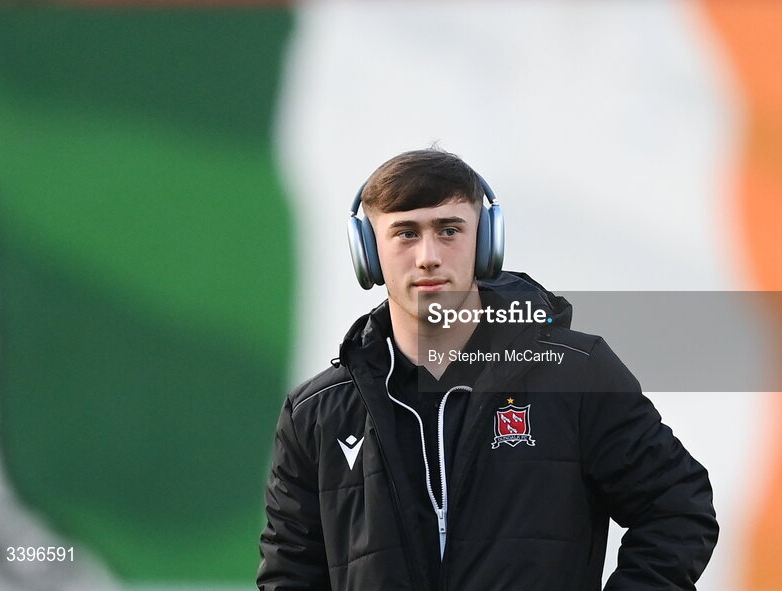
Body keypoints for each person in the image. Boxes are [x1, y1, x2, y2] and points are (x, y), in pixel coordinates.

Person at [257, 149, 718, 591]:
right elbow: (290, 573)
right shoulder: (314, 414)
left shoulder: (577, 374)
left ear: (486, 242)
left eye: (450, 230)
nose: (428, 256)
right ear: (368, 252)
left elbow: (678, 507)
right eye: (406, 233)